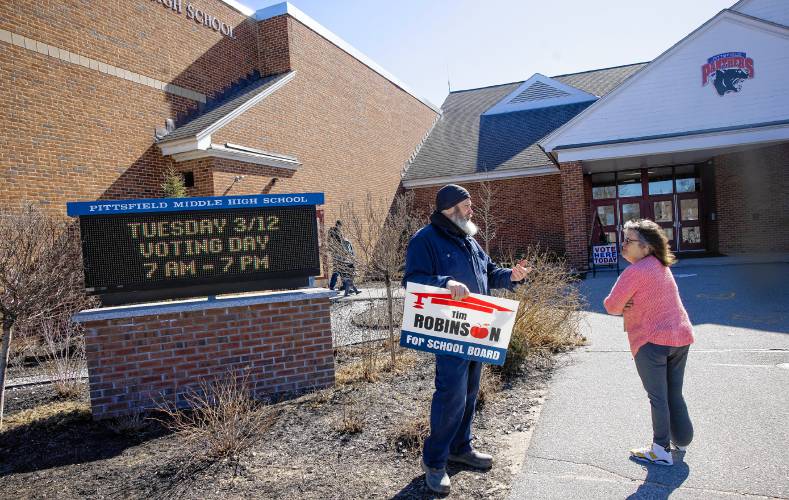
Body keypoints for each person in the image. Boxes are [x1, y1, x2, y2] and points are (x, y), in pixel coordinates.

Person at [403, 184, 530, 494]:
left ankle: (461, 447)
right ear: (450, 210)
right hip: (447, 332)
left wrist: (509, 276)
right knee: (451, 396)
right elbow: (412, 280)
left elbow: (489, 272)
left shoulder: (469, 239)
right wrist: (446, 283)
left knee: (471, 392)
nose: (472, 210)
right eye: (467, 206)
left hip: (478, 331)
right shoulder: (425, 240)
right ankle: (435, 462)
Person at [603, 219, 694, 466]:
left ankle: (660, 450)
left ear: (646, 247)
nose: (622, 245)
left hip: (651, 341)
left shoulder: (635, 271)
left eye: (628, 241)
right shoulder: (661, 267)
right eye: (623, 239)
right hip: (680, 338)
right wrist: (630, 302)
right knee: (673, 393)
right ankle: (682, 441)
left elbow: (611, 306)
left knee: (658, 397)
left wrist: (626, 304)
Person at [328, 220, 343, 291]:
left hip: (336, 253)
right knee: (338, 269)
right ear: (339, 225)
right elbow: (339, 243)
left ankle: (342, 285)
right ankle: (332, 286)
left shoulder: (332, 231)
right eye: (340, 226)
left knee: (340, 269)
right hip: (337, 253)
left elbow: (329, 241)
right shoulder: (336, 232)